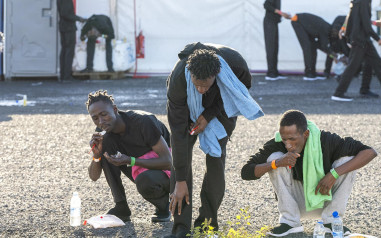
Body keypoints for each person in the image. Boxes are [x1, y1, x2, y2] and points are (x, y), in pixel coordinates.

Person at [165, 42, 264, 237]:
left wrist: (209, 114)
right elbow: (177, 133)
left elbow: (239, 93)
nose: (200, 89)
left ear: (217, 74)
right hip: (186, 107)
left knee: (216, 159)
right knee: (180, 161)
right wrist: (181, 180)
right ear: (189, 73)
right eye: (197, 84)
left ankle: (207, 222)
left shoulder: (236, 67)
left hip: (221, 105)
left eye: (205, 85)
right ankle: (181, 226)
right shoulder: (178, 80)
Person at [241, 110, 377, 237]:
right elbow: (246, 172)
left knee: (347, 161)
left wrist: (333, 174)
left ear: (305, 134)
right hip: (297, 204)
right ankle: (290, 224)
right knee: (274, 158)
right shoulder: (277, 144)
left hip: (324, 197)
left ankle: (331, 223)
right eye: (284, 139)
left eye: (292, 139)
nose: (288, 145)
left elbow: (370, 152)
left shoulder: (326, 140)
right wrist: (276, 163)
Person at [86, 90, 172, 223]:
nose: (101, 121)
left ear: (115, 110)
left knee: (145, 180)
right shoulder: (103, 132)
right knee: (105, 146)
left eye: (104, 114)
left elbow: (168, 161)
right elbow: (93, 176)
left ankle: (163, 206)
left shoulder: (143, 121)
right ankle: (121, 207)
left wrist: (130, 160)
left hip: (169, 174)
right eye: (95, 118)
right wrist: (96, 156)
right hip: (141, 169)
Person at [332, 0, 381, 101]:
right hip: (361, 40)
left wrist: (347, 33)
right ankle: (338, 93)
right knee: (353, 66)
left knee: (375, 63)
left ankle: (377, 91)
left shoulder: (357, 1)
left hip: (360, 39)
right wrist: (377, 38)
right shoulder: (364, 1)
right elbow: (365, 24)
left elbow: (354, 17)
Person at [330, 14, 379, 98]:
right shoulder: (340, 30)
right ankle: (363, 89)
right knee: (361, 63)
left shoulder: (344, 25)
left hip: (356, 39)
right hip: (357, 40)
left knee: (357, 64)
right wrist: (336, 57)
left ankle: (343, 87)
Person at [284, 13, 337, 81]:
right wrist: (333, 55)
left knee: (313, 48)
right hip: (298, 21)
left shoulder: (329, 30)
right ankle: (308, 73)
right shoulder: (326, 30)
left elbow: (321, 46)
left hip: (308, 28)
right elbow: (324, 46)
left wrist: (332, 54)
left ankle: (312, 71)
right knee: (307, 47)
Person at [57, 0, 86, 81]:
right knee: (69, 51)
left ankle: (63, 75)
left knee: (64, 51)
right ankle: (67, 76)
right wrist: (79, 18)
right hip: (68, 27)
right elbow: (66, 14)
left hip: (63, 27)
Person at [263, 0, 290, 81]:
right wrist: (281, 13)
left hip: (273, 23)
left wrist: (283, 15)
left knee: (275, 47)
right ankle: (270, 73)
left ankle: (274, 71)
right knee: (271, 48)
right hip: (269, 23)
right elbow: (266, 5)